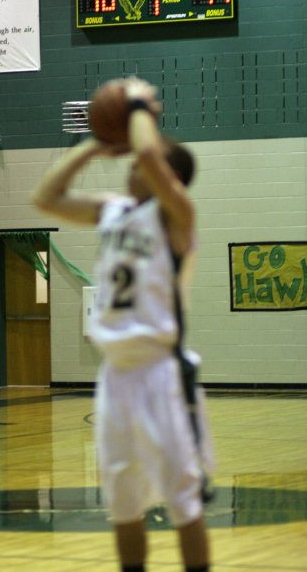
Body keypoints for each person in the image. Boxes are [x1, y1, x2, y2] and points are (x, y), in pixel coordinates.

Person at [32, 76, 213, 572]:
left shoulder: (179, 214)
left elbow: (152, 158)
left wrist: (136, 106)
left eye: (139, 162)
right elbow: (46, 198)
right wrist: (94, 144)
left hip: (162, 371)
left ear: (164, 176)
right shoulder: (113, 213)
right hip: (115, 374)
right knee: (122, 496)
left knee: (182, 496)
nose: (133, 165)